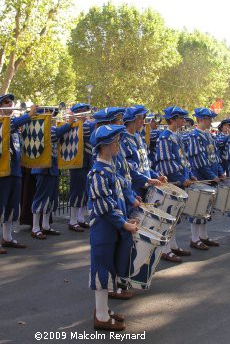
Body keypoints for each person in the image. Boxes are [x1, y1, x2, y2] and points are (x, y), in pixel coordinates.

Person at [88, 124, 138, 331]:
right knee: (101, 270)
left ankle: (104, 309)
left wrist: (125, 221)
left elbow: (116, 202)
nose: (118, 145)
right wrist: (124, 223)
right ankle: (100, 315)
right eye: (115, 141)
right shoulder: (98, 173)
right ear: (105, 146)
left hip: (111, 229)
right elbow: (105, 207)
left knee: (108, 267)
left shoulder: (109, 169)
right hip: (103, 230)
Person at [0, 94, 37, 254]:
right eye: (6, 102)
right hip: (0, 170)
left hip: (14, 170)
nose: (10, 105)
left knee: (12, 205)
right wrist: (29, 114)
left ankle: (7, 237)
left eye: (11, 102)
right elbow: (12, 124)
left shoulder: (13, 124)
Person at [155, 106, 195, 262]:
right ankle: (164, 249)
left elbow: (183, 159)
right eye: (181, 118)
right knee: (167, 215)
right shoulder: (165, 137)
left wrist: (189, 174)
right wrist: (180, 177)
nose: (184, 121)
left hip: (180, 180)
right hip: (171, 182)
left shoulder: (177, 136)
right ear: (173, 119)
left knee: (175, 216)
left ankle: (173, 245)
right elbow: (166, 164)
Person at [30, 109, 74, 239]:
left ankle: (45, 225)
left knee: (50, 198)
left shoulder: (50, 127)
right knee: (41, 197)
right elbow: (54, 134)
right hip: (42, 168)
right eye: (48, 115)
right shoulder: (39, 128)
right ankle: (35, 227)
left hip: (52, 167)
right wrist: (69, 123)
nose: (52, 117)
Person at [186, 108, 224, 250]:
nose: (210, 121)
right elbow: (198, 161)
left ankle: (204, 236)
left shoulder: (209, 136)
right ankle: (194, 238)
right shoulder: (194, 136)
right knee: (197, 208)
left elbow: (215, 157)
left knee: (206, 208)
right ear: (200, 120)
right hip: (201, 178)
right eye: (208, 119)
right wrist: (211, 175)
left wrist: (220, 172)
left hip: (211, 177)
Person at [120, 105, 166, 198]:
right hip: (134, 189)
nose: (143, 121)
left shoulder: (138, 136)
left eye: (143, 118)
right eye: (140, 118)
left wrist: (155, 176)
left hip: (146, 187)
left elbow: (145, 164)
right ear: (132, 119)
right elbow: (129, 169)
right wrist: (148, 180)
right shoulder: (123, 139)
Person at [67, 103, 95, 232]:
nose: (85, 114)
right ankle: (72, 220)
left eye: (86, 111)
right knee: (76, 191)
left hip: (87, 161)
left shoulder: (87, 125)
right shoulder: (76, 126)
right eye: (82, 112)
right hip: (77, 163)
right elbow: (88, 130)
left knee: (85, 191)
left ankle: (81, 218)